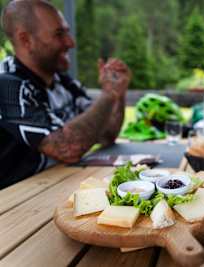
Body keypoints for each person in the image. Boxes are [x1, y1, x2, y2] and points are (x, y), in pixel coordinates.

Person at [0, 0, 131, 189]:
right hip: (16, 203)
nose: (71, 42)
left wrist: (118, 93)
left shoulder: (62, 81)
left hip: (58, 185)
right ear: (25, 40)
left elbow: (106, 133)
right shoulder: (8, 85)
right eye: (59, 34)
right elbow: (68, 148)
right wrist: (109, 94)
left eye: (67, 32)